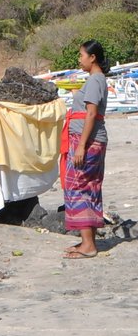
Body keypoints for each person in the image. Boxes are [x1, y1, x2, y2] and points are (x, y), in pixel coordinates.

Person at [61, 40, 109, 258]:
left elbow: (91, 114)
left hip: (87, 141)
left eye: (81, 55)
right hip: (88, 139)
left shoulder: (96, 80)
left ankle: (88, 245)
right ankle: (86, 242)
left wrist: (81, 146)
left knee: (78, 187)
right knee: (86, 186)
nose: (79, 59)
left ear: (93, 58)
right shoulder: (94, 80)